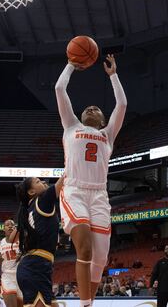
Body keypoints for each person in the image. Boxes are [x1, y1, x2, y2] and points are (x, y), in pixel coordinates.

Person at [55, 54, 126, 307]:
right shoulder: (71, 126)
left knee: (100, 259)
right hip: (74, 190)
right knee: (84, 249)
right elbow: (60, 88)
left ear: (103, 120)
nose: (91, 108)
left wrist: (113, 76)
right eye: (88, 108)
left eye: (96, 109)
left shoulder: (107, 134)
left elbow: (122, 105)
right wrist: (72, 65)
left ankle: (89, 301)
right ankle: (85, 305)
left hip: (99, 195)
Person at [15, 177, 63, 307]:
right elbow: (64, 180)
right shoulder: (42, 201)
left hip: (36, 266)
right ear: (31, 192)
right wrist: (73, 161)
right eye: (38, 182)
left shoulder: (30, 208)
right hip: (35, 267)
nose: (43, 182)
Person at [0, 219, 22, 307]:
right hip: (8, 277)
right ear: (4, 229)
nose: (10, 226)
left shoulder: (23, 241)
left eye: (12, 225)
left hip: (22, 276)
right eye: (7, 225)